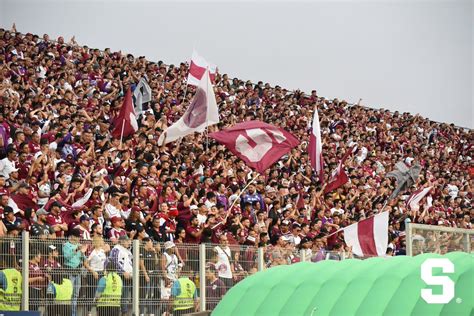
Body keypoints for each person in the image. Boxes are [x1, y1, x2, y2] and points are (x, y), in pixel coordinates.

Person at [62, 228, 87, 316]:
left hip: (78, 272)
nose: (79, 239)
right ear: (72, 236)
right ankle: (67, 313)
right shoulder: (66, 245)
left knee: (75, 294)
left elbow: (84, 259)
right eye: (77, 237)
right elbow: (66, 257)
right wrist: (76, 250)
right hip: (70, 271)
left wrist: (83, 253)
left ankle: (73, 314)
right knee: (69, 293)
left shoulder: (79, 245)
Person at [108, 234, 133, 316]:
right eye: (126, 241)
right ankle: (117, 312)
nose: (128, 242)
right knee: (119, 294)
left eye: (128, 240)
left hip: (128, 275)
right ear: (121, 241)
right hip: (120, 275)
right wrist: (123, 272)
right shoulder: (116, 249)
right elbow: (114, 261)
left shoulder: (127, 250)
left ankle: (124, 312)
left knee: (125, 296)